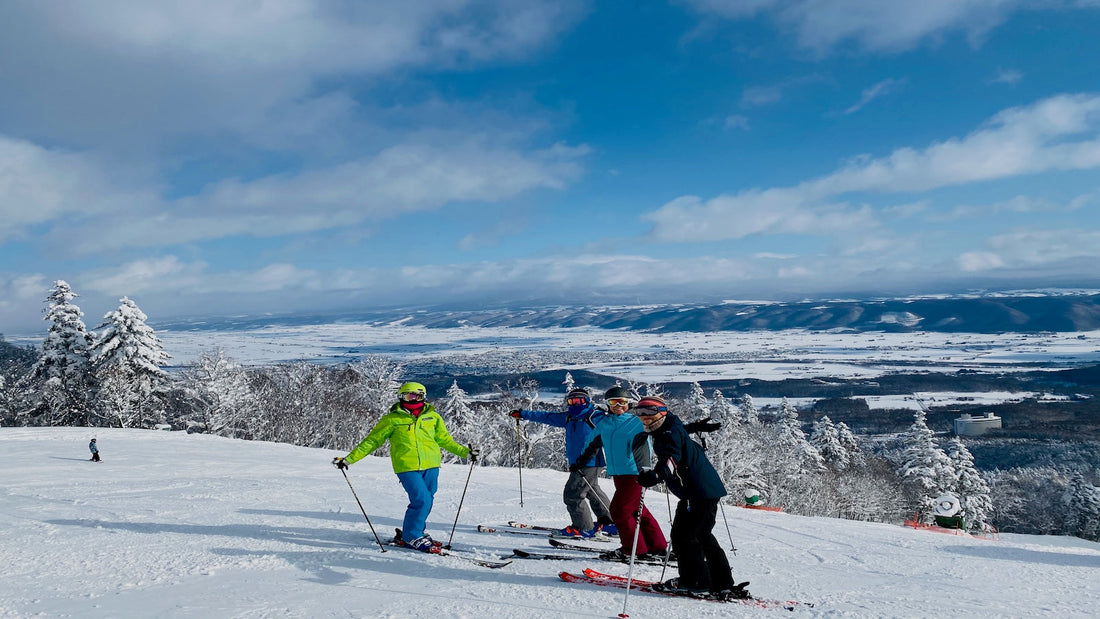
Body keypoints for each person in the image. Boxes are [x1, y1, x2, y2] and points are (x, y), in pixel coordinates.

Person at [334, 381, 479, 553]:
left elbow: (445, 440)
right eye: (406, 396)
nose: (410, 399)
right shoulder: (392, 419)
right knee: (421, 499)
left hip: (431, 465)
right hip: (406, 465)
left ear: (422, 397)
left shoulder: (433, 417)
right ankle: (412, 536)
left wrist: (466, 453)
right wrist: (349, 459)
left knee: (428, 499)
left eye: (414, 396)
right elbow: (373, 441)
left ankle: (418, 531)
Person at [635, 396, 741, 599]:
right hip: (700, 490)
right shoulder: (670, 426)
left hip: (698, 491)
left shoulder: (668, 432)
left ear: (662, 412)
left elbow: (671, 458)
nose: (645, 419)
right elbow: (679, 433)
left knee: (687, 537)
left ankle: (696, 582)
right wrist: (694, 427)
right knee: (696, 535)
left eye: (649, 414)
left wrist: (657, 475)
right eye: (641, 415)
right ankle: (718, 582)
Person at [572, 387, 668, 561]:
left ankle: (633, 550)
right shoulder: (605, 424)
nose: (618, 406)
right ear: (607, 404)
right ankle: (657, 546)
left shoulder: (637, 422)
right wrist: (581, 461)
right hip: (618, 474)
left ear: (629, 404)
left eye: (622, 402)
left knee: (620, 511)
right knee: (637, 511)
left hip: (636, 474)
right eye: (613, 402)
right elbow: (592, 443)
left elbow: (660, 428)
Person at [510, 387, 616, 538]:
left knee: (573, 494)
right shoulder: (568, 417)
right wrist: (523, 414)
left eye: (580, 400)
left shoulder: (596, 416)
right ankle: (610, 523)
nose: (575, 404)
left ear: (587, 401)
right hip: (578, 463)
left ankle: (583, 528)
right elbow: (546, 416)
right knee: (592, 491)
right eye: (572, 401)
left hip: (590, 461)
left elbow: (618, 423)